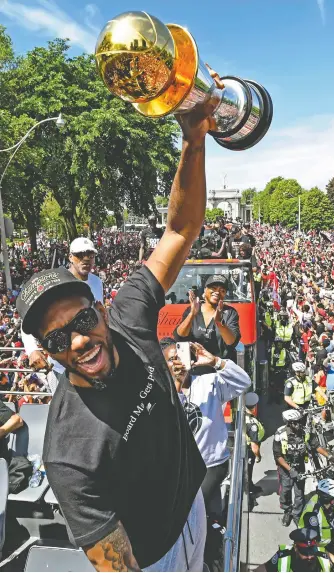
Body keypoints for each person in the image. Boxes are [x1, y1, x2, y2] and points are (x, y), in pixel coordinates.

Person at [16, 97, 220, 572]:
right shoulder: (67, 453)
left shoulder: (130, 313)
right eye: (57, 340)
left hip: (193, 507)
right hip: (156, 560)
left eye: (83, 321)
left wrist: (193, 139)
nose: (78, 342)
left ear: (102, 309)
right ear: (47, 351)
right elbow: (119, 566)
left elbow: (180, 230)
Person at [160, 337, 250, 517]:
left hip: (210, 464)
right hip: (179, 467)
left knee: (191, 508)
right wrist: (177, 385)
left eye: (181, 355)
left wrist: (215, 362)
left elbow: (244, 382)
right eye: (171, 359)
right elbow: (169, 422)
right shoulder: (159, 392)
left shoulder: (208, 383)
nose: (177, 361)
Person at [21, 237, 104, 389]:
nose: (86, 259)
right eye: (80, 255)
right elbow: (28, 322)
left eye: (90, 255)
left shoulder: (97, 282)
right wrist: (32, 350)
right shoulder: (54, 283)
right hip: (62, 369)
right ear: (70, 257)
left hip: (90, 362)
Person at [273, 409, 333, 527]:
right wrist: (290, 470)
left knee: (299, 493)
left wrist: (329, 456)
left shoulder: (305, 432)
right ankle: (287, 510)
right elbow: (278, 456)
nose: (299, 424)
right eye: (295, 422)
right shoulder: (280, 434)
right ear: (289, 423)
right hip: (285, 469)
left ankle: (297, 514)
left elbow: (316, 446)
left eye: (300, 421)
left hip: (300, 467)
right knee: (285, 491)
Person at [174, 275, 241, 362]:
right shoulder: (192, 310)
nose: (217, 292)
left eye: (222, 290)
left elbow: (231, 342)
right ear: (205, 290)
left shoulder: (230, 313)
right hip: (195, 369)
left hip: (221, 369)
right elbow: (180, 336)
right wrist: (192, 314)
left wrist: (219, 323)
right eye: (213, 288)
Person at [255, 525, 332, 572]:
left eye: (312, 552)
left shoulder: (322, 556)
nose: (310, 556)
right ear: (296, 548)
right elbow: (262, 569)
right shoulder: (283, 557)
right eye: (305, 553)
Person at [298, 479, 334, 555]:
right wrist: (328, 555)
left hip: (330, 539)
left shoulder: (323, 500)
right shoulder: (312, 515)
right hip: (320, 547)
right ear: (327, 498)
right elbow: (311, 544)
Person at [245, 392, 265, 494]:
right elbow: (254, 447)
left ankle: (250, 487)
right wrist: (258, 456)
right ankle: (248, 494)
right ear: (254, 407)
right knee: (247, 472)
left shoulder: (242, 417)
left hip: (243, 449)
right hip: (248, 451)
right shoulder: (252, 424)